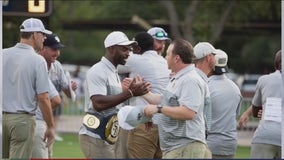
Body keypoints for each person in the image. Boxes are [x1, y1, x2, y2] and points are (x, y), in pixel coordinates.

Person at [78, 31, 151, 159]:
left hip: (108, 137)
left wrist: (142, 117)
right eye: (124, 49)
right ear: (111, 49)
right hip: (95, 136)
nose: (128, 53)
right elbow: (98, 103)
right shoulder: (98, 70)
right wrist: (130, 93)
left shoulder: (113, 72)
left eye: (129, 49)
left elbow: (115, 105)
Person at [144, 39, 208, 158]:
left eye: (168, 54)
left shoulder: (189, 79)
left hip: (185, 147)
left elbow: (189, 112)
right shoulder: (179, 77)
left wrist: (158, 109)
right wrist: (141, 92)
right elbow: (165, 101)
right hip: (177, 148)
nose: (165, 56)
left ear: (176, 58)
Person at [3, 18, 55, 159]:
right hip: (22, 120)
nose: (44, 38)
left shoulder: (2, 54)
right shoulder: (37, 60)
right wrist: (50, 126)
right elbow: (44, 98)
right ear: (34, 35)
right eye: (43, 34)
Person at [121, 32, 171, 158]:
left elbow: (112, 62)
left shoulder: (135, 59)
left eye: (131, 48)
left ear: (137, 48)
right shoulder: (164, 61)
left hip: (145, 122)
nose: (128, 52)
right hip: (165, 123)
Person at [239, 50, 282, 159]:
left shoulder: (264, 80)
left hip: (265, 136)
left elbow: (256, 110)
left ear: (276, 64)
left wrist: (250, 113)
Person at [39, 33, 78, 143]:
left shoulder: (57, 66)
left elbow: (69, 94)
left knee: (48, 153)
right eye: (54, 49)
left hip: (46, 117)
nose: (57, 53)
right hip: (34, 119)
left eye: (58, 50)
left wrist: (71, 88)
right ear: (43, 48)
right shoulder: (34, 64)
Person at [206, 49, 242, 158]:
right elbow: (235, 115)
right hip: (230, 144)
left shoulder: (205, 87)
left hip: (209, 143)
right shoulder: (235, 88)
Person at [193, 42, 218, 158]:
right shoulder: (196, 80)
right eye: (214, 55)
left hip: (199, 139)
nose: (215, 58)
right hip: (194, 140)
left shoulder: (200, 78)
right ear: (208, 58)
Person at [32, 80, 61, 158]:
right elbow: (56, 100)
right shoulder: (38, 72)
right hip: (36, 122)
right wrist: (51, 126)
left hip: (7, 120)